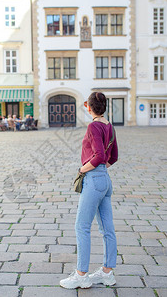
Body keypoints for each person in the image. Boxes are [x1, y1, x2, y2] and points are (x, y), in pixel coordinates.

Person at [60, 92, 118, 290]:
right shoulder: (110, 127)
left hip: (93, 179)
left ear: (89, 107)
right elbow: (114, 156)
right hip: (105, 180)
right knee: (107, 229)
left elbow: (99, 155)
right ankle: (107, 273)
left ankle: (81, 275)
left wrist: (82, 169)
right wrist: (102, 170)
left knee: (81, 226)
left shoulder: (93, 126)